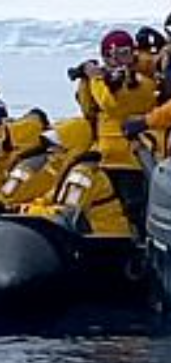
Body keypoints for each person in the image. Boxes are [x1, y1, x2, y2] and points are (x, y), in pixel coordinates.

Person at [73, 29, 156, 234]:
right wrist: (85, 82)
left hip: (133, 159)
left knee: (134, 210)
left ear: (133, 53)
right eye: (109, 56)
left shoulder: (141, 83)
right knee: (106, 208)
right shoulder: (106, 83)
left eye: (123, 53)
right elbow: (89, 110)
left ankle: (140, 250)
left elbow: (112, 106)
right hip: (105, 157)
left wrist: (96, 80)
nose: (116, 60)